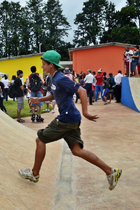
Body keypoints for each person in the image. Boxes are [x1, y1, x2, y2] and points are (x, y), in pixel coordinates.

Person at [18, 50, 122, 191]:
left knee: (40, 140)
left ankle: (34, 174)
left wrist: (85, 112)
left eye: (43, 64)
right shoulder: (54, 78)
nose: (42, 67)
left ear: (51, 65)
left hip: (67, 118)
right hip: (71, 118)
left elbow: (82, 91)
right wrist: (39, 99)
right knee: (77, 150)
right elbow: (54, 95)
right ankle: (111, 171)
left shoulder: (61, 78)